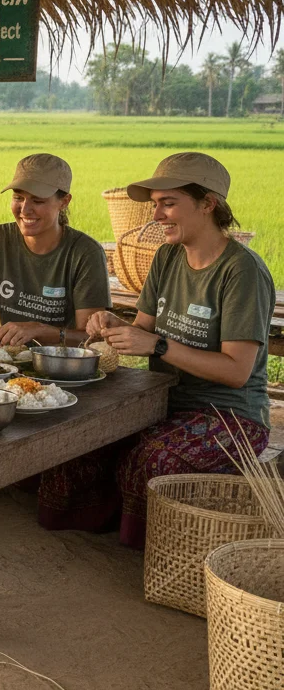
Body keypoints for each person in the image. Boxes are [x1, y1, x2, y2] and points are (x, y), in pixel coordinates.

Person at [43, 153, 274, 548]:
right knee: (78, 441)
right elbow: (143, 329)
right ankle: (98, 524)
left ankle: (149, 547)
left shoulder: (241, 271)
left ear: (208, 203)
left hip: (230, 415)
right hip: (162, 401)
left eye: (168, 203)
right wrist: (112, 325)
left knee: (148, 459)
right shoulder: (168, 256)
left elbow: (236, 371)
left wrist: (159, 345)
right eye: (155, 204)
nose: (156, 216)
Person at [0, 154, 110, 346]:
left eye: (37, 201)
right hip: (6, 358)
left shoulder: (85, 253)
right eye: (18, 197)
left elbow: (92, 338)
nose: (25, 210)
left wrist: (40, 330)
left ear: (64, 201)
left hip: (60, 361)